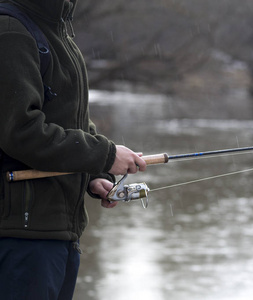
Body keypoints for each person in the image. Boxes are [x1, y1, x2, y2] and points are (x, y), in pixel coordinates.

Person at [0, 0, 147, 299]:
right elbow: (21, 131)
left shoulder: (57, 28)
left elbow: (70, 120)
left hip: (58, 233)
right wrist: (104, 154)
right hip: (23, 236)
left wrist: (93, 173)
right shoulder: (11, 30)